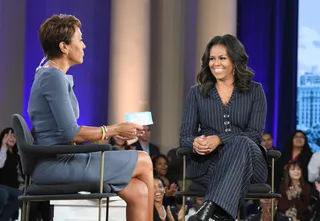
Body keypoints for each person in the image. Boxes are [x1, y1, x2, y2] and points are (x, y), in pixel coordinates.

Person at [27, 14, 153, 221]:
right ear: (64, 46)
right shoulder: (52, 77)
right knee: (145, 160)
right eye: (80, 39)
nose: (84, 45)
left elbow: (65, 130)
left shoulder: (49, 73)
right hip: (57, 164)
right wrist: (116, 129)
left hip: (65, 158)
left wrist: (98, 136)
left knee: (138, 190)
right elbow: (71, 133)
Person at [179, 34, 268, 221]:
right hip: (210, 164)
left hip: (251, 165)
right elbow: (185, 137)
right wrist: (196, 143)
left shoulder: (255, 91)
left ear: (235, 61)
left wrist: (220, 139)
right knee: (232, 166)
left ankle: (206, 209)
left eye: (222, 58)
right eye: (211, 58)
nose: (215, 63)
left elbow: (254, 135)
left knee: (243, 142)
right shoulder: (196, 93)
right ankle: (218, 214)